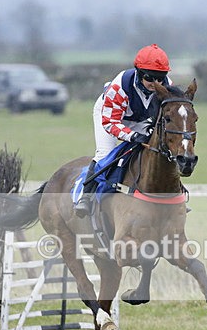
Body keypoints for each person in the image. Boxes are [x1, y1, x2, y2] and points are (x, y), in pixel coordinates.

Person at [74, 44, 173, 217]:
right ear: (139, 73)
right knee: (105, 153)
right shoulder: (120, 87)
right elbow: (110, 122)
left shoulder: (167, 87)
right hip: (111, 115)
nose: (155, 83)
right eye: (150, 77)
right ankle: (86, 197)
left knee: (159, 151)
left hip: (141, 119)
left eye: (160, 78)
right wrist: (132, 135)